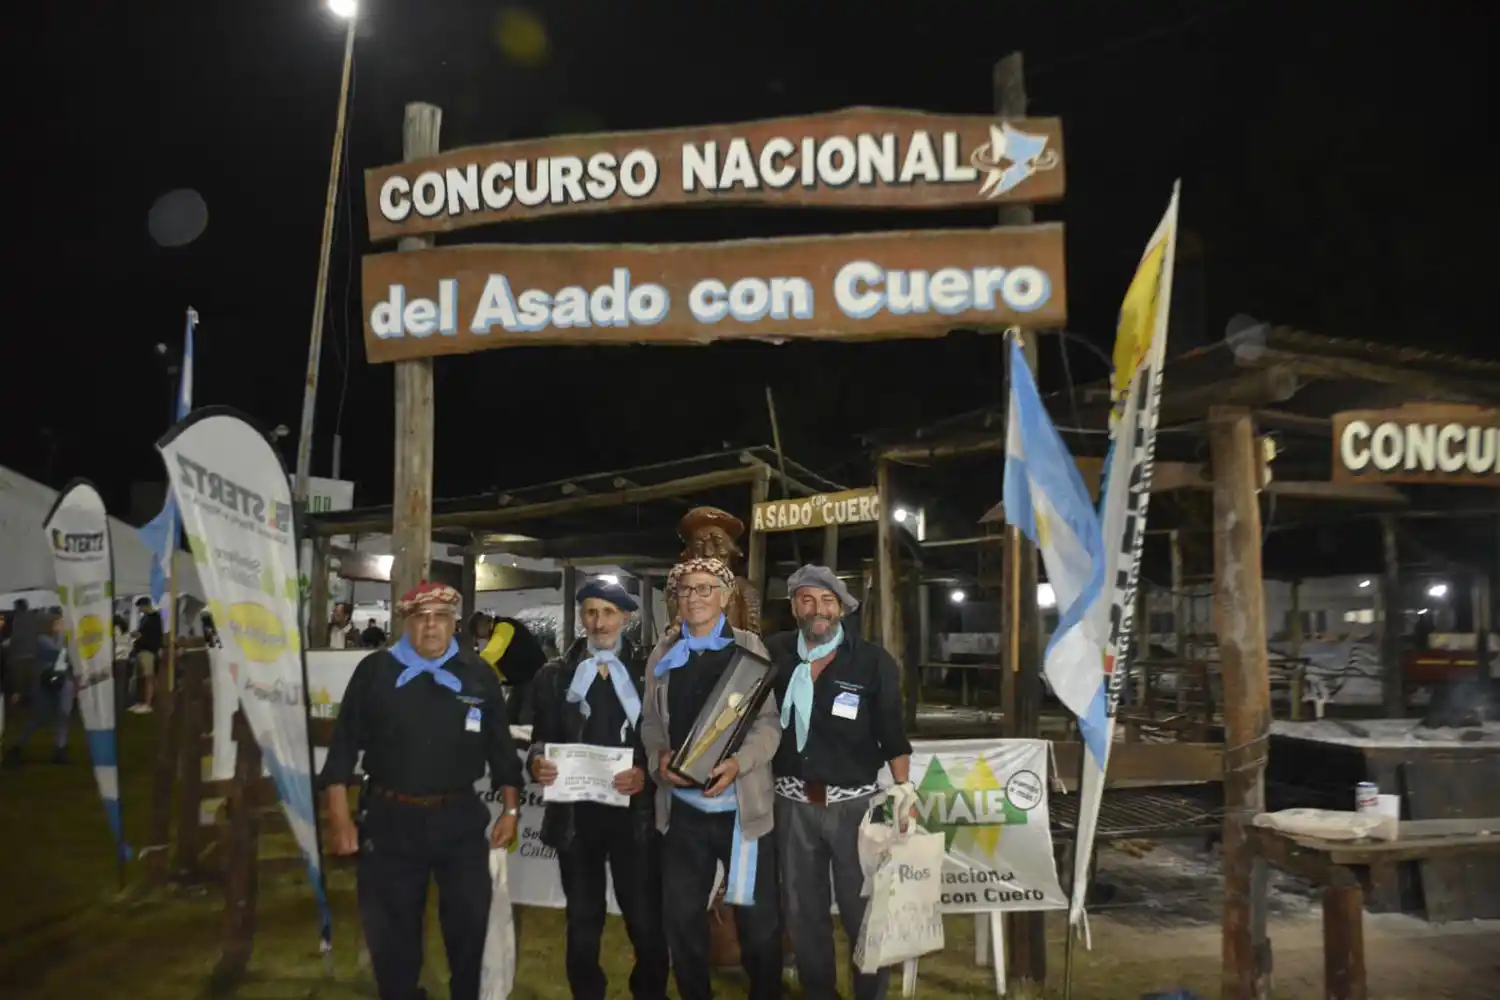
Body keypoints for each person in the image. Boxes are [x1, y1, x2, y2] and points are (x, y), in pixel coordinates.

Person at [321, 581, 523, 1000]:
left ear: (455, 624)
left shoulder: (478, 675)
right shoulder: (375, 672)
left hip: (460, 820)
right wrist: (340, 820)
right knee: (392, 936)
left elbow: (501, 750)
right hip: (390, 820)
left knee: (470, 924)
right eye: (421, 617)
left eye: (441, 617)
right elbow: (341, 750)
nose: (431, 626)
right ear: (407, 623)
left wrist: (511, 811)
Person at [768, 566, 916, 1000]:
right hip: (792, 803)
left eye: (827, 600)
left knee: (863, 912)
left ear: (841, 608)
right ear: (794, 606)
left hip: (856, 809)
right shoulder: (774, 654)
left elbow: (892, 734)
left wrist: (903, 790)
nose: (818, 609)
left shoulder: (871, 661)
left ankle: (869, 995)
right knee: (803, 911)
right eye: (808, 600)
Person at [640, 556, 783, 1000]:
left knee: (758, 924)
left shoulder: (750, 649)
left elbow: (769, 725)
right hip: (682, 814)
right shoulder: (661, 656)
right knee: (682, 921)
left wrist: (739, 763)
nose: (695, 597)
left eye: (705, 589)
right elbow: (650, 725)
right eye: (686, 589)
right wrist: (657, 759)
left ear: (723, 597)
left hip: (743, 812)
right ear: (675, 600)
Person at [529, 579, 669, 1000]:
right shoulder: (554, 676)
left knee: (645, 920)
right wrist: (537, 761)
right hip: (578, 817)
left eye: (608, 612)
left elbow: (666, 739)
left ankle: (650, 993)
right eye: (591, 612)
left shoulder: (653, 672)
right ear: (581, 618)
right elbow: (541, 737)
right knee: (583, 920)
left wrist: (644, 772)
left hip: (636, 817)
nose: (599, 621)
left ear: (625, 618)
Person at [5, 612, 77, 765]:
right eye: (58, 622)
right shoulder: (42, 639)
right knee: (40, 718)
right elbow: (58, 652)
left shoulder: (65, 639)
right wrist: (64, 637)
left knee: (63, 715)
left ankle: (60, 750)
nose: (62, 625)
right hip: (45, 681)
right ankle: (18, 746)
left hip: (64, 680)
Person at [472, 611, 548, 725]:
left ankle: (529, 741)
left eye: (477, 634)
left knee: (526, 717)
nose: (479, 638)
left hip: (534, 678)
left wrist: (471, 668)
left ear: (482, 625)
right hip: (519, 681)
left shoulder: (504, 627)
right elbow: (495, 664)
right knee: (509, 716)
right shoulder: (496, 632)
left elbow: (493, 652)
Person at [130, 597, 163, 714]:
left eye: (140, 607)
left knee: (148, 677)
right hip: (141, 650)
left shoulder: (154, 618)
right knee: (142, 678)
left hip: (148, 650)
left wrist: (139, 636)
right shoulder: (145, 618)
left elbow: (154, 636)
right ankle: (141, 701)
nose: (139, 609)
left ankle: (148, 703)